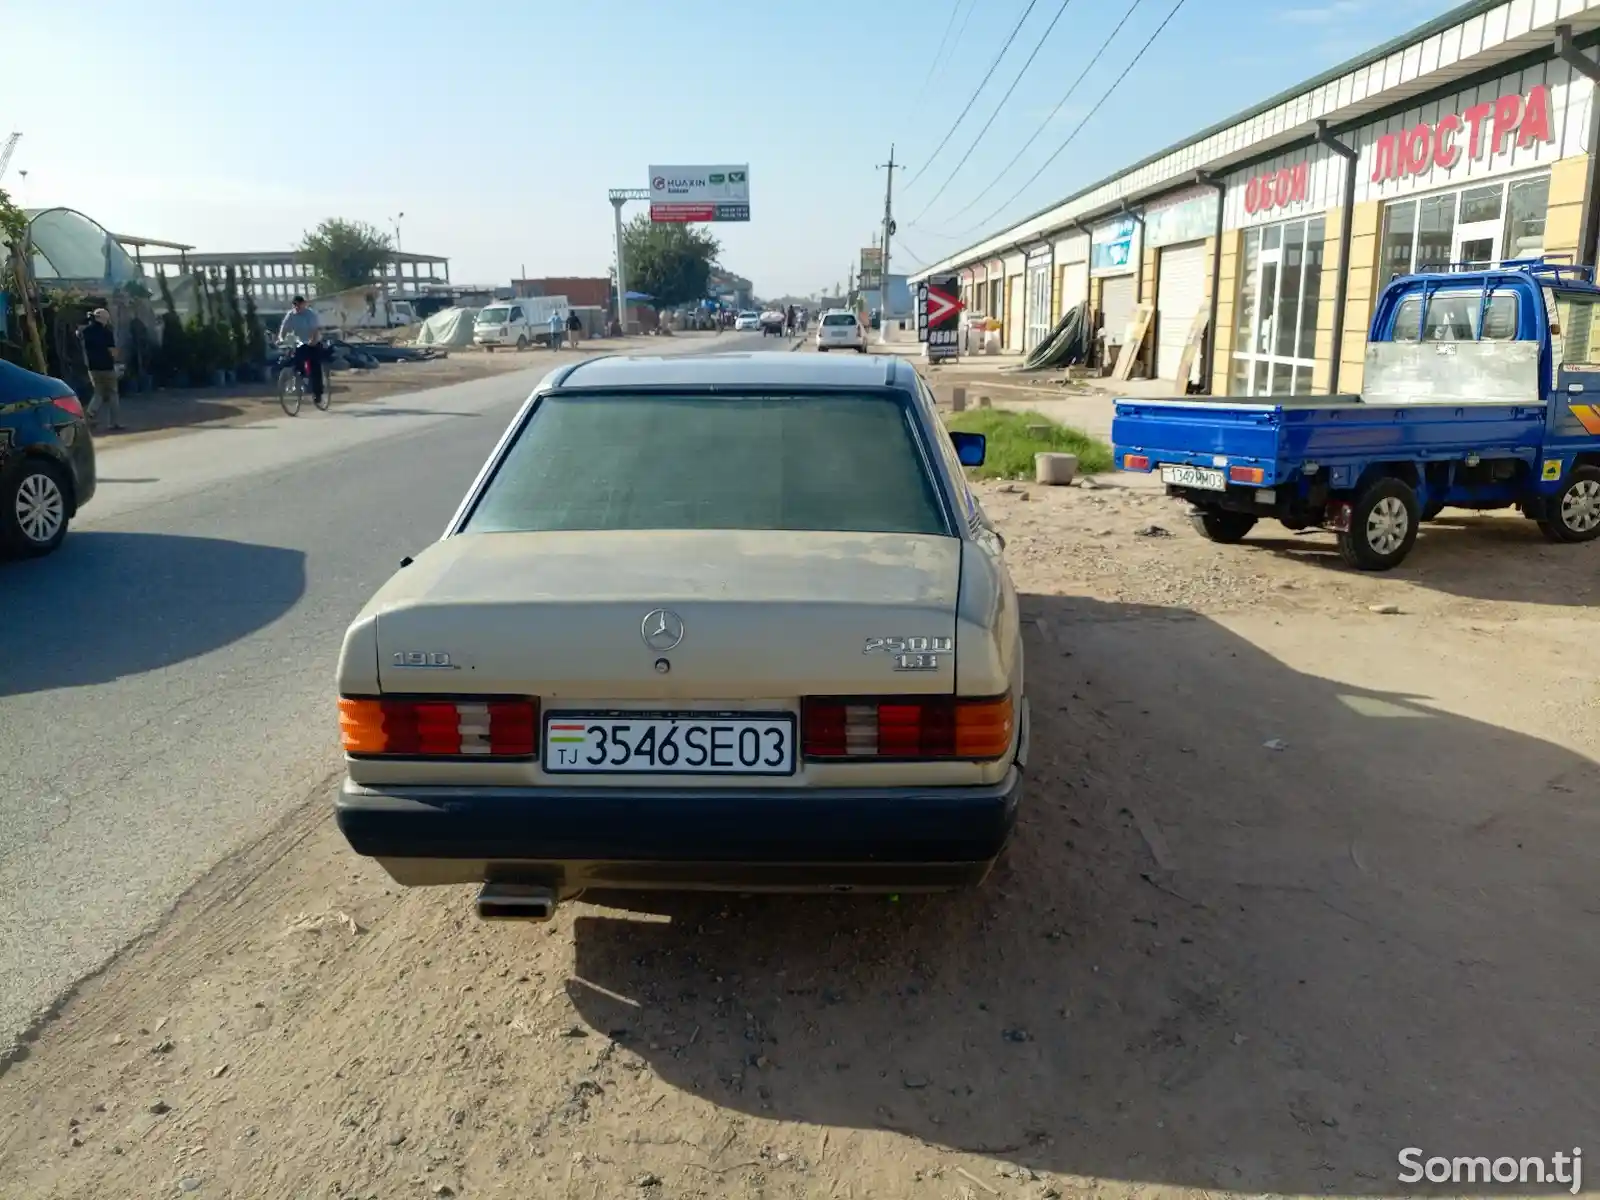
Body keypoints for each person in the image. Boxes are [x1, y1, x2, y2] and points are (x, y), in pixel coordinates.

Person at [78, 308, 123, 431]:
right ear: (103, 319)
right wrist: (117, 360)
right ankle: (114, 422)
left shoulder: (85, 331)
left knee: (98, 392)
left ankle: (90, 414)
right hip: (107, 366)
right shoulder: (106, 332)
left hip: (92, 367)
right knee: (113, 393)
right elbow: (112, 351)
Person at [277, 296, 325, 405]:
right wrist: (280, 339)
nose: (297, 307)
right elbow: (284, 328)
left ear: (304, 304)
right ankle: (299, 378)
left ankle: (318, 394)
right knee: (294, 359)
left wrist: (312, 341)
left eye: (299, 304)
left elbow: (314, 329)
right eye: (295, 305)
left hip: (313, 342)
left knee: (315, 367)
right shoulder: (291, 315)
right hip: (299, 343)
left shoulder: (310, 314)